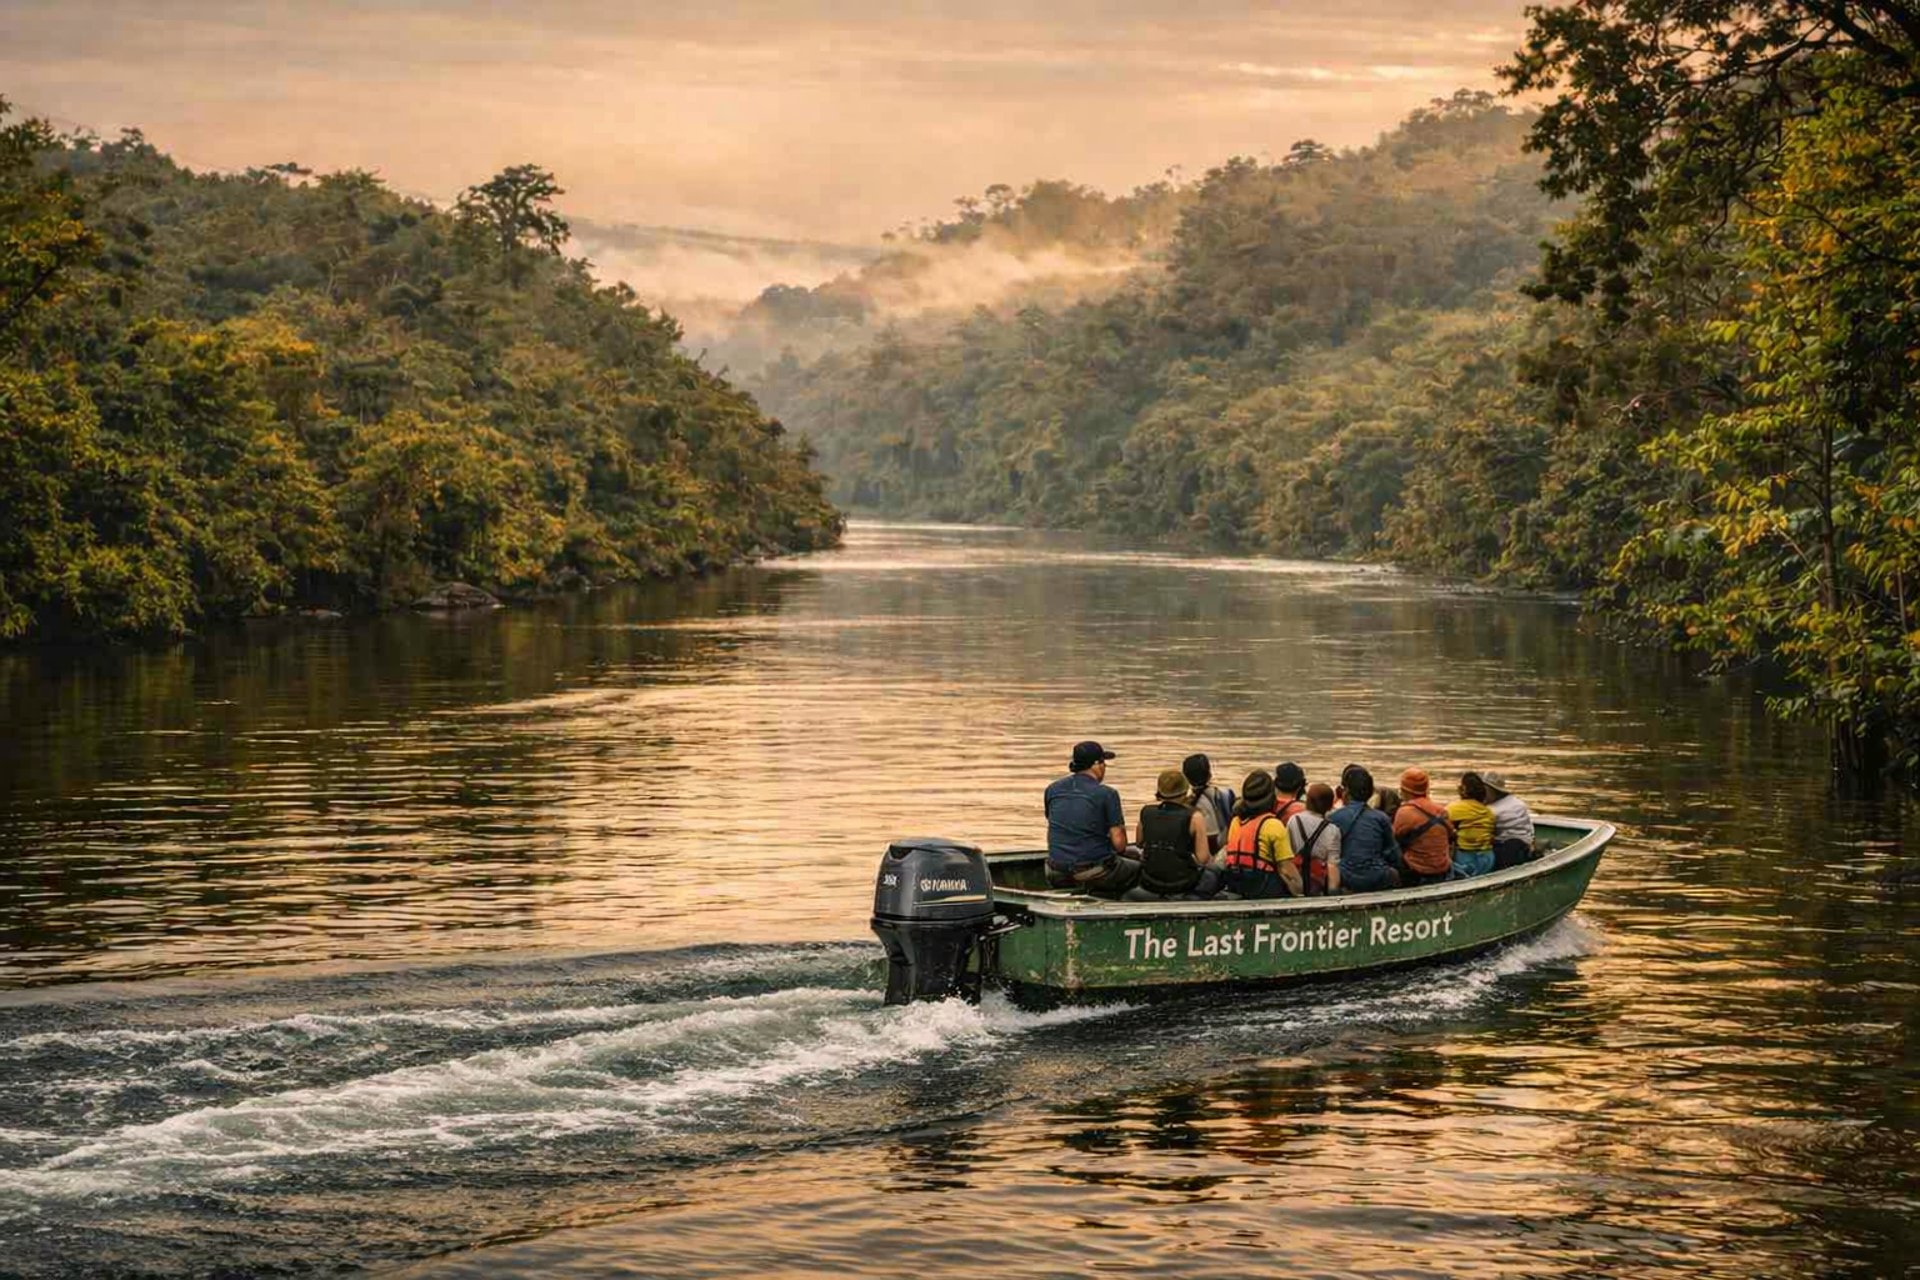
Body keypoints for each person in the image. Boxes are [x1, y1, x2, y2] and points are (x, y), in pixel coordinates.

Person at [1043, 740, 1141, 895]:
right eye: (1104, 764)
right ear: (1097, 765)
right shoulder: (1107, 794)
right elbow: (1120, 845)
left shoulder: (1052, 789)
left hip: (1054, 871)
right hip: (1093, 872)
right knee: (1139, 869)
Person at [1128, 768, 1219, 900]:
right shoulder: (1195, 816)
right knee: (1213, 874)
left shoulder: (1146, 812)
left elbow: (1139, 843)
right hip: (1183, 883)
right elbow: (1203, 858)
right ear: (1185, 790)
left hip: (1150, 880)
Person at [1220, 768, 1301, 898]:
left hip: (1236, 883)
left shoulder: (1236, 821)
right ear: (1271, 796)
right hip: (1263, 888)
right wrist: (1300, 890)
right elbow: (1286, 870)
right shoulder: (1272, 825)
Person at [1329, 764, 1403, 893]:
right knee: (1395, 874)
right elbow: (1394, 855)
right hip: (1378, 877)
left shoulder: (1333, 818)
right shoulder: (1381, 818)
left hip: (1346, 878)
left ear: (1345, 792)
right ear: (1370, 793)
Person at [1391, 768, 1454, 886]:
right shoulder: (1441, 811)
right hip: (1443, 870)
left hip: (1417, 872)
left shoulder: (1404, 812)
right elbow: (1450, 835)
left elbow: (1393, 840)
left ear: (1405, 791)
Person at [1284, 782, 1342, 896]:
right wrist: (1333, 894)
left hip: (1297, 878)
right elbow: (1332, 865)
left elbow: (1289, 853)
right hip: (1318, 882)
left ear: (1307, 802)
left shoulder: (1294, 820)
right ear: (1330, 806)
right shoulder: (1332, 830)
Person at [1183, 753, 1236, 856]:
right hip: (1225, 849)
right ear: (1209, 774)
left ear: (1186, 778)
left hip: (1205, 854)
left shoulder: (1188, 804)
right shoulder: (1226, 794)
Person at [1484, 770, 1538, 869]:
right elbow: (1530, 828)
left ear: (1492, 791)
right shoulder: (1518, 803)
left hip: (1508, 850)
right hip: (1527, 843)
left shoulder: (1491, 811)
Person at [1447, 772, 1497, 878]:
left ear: (1463, 790)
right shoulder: (1489, 812)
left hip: (1465, 860)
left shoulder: (1453, 809)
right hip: (1487, 859)